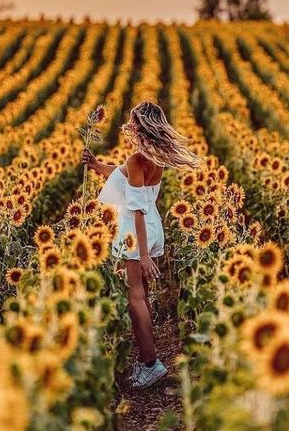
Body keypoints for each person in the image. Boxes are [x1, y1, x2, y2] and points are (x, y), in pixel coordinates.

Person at [81, 99, 202, 389]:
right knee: (142, 296)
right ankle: (149, 361)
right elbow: (123, 177)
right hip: (150, 227)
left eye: (134, 122)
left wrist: (143, 254)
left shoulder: (139, 159)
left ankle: (150, 364)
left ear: (141, 127)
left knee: (134, 297)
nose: (131, 127)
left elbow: (135, 208)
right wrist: (97, 165)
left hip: (136, 232)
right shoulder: (154, 159)